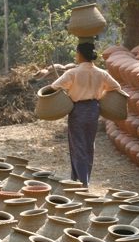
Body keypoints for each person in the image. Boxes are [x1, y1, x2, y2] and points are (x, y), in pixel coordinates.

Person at [51, 42, 121, 188]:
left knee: (78, 146)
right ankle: (80, 179)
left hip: (77, 111)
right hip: (93, 110)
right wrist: (101, 95)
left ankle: (82, 184)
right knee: (89, 145)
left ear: (80, 54)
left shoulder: (73, 73)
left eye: (77, 53)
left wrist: (67, 95)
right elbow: (116, 87)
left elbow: (54, 87)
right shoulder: (101, 73)